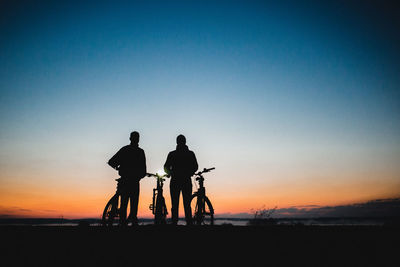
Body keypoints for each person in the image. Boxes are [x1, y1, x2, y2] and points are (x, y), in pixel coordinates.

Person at [108, 131, 146, 226]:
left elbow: (111, 162)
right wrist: (139, 176)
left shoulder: (125, 150)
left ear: (130, 138)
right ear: (138, 139)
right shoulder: (140, 152)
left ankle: (122, 224)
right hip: (134, 182)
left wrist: (118, 168)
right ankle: (132, 223)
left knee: (124, 204)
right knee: (134, 205)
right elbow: (144, 170)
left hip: (125, 180)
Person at [164, 134, 198, 225]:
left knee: (175, 203)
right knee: (187, 203)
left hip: (175, 180)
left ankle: (175, 222)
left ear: (177, 142)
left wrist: (170, 173)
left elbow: (166, 167)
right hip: (186, 180)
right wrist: (189, 172)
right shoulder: (190, 153)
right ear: (185, 141)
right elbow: (195, 166)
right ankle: (189, 222)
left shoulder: (172, 154)